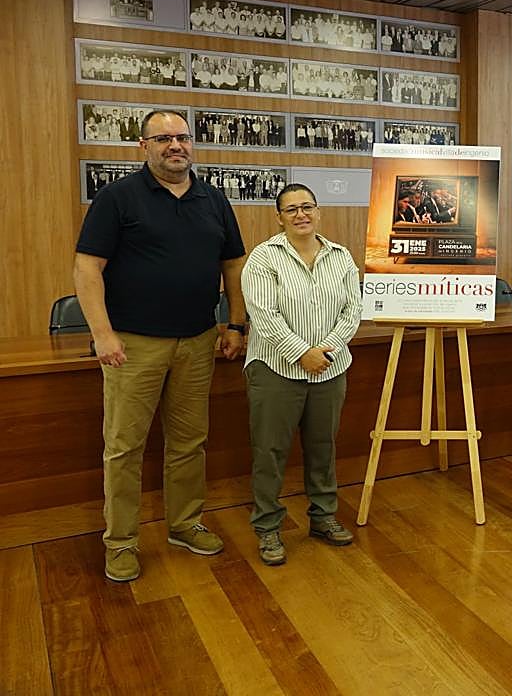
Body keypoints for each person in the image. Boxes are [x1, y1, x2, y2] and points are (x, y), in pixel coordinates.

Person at [74, 110, 247, 582]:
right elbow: (87, 268)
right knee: (124, 448)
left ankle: (185, 524)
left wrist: (235, 323)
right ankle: (121, 542)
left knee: (190, 442)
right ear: (144, 146)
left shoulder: (213, 199)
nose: (176, 146)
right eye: (164, 138)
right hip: (134, 345)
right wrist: (102, 333)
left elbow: (233, 264)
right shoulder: (117, 197)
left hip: (198, 341)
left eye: (183, 137)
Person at [241, 184, 363, 566]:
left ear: (318, 211)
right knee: (270, 451)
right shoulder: (264, 258)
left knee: (323, 446)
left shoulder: (341, 257)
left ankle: (323, 517)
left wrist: (325, 350)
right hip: (274, 369)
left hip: (330, 367)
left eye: (307, 207)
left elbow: (353, 311)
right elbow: (263, 315)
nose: (301, 214)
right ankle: (267, 527)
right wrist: (301, 353)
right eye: (291, 209)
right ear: (279, 217)